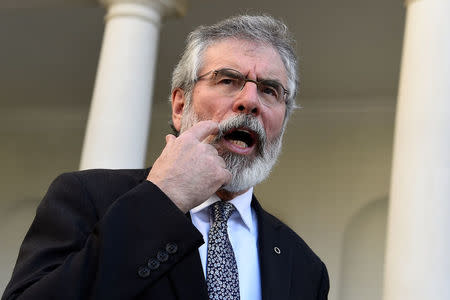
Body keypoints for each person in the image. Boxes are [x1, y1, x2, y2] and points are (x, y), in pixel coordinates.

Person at [2, 14, 329, 300]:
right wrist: (164, 199)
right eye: (228, 80)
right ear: (179, 105)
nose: (250, 101)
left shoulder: (304, 266)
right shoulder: (87, 198)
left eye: (270, 90)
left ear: (282, 123)